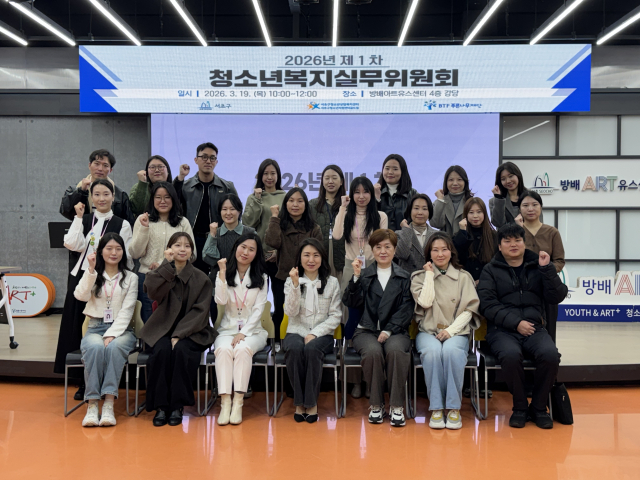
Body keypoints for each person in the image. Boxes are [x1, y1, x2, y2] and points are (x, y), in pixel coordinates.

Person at [477, 223, 568, 429]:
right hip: (502, 330)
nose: (513, 244)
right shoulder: (490, 270)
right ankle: (519, 407)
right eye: (507, 241)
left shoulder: (538, 265)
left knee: (550, 355)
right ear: (499, 246)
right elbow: (487, 305)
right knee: (510, 356)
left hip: (535, 328)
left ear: (524, 243)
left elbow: (557, 296)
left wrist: (547, 270)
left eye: (517, 240)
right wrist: (516, 323)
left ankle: (539, 407)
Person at [54, 179, 133, 402]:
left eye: (106, 194)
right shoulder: (85, 218)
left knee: (103, 329)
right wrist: (78, 218)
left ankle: (107, 382)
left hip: (108, 278)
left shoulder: (122, 224)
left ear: (113, 197)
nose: (101, 198)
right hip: (84, 276)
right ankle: (83, 381)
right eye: (96, 194)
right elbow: (72, 243)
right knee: (76, 328)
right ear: (91, 197)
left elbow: (126, 255)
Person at [141, 232, 216, 427]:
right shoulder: (162, 272)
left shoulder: (202, 278)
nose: (182, 249)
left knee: (182, 350)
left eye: (187, 246)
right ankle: (161, 406)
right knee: (161, 351)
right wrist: (165, 266)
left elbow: (200, 312)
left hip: (192, 331)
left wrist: (179, 334)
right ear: (169, 249)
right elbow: (151, 291)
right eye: (177, 245)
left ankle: (177, 405)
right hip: (162, 329)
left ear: (192, 251)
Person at [342, 229, 414, 427]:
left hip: (396, 331)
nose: (383, 251)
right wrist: (356, 278)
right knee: (373, 352)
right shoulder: (364, 275)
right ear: (372, 250)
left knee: (396, 351)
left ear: (395, 250)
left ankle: (397, 406)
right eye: (378, 247)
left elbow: (406, 309)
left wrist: (388, 330)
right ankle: (376, 405)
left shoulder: (404, 277)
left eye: (387, 247)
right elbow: (351, 302)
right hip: (366, 330)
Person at [411, 232, 480, 430]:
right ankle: (436, 408)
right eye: (435, 250)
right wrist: (429, 276)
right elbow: (425, 302)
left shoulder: (463, 277)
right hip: (428, 331)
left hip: (456, 332)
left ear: (451, 252)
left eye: (444, 249)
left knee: (451, 352)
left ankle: (453, 408)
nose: (440, 254)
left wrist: (450, 331)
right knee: (432, 353)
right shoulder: (419, 277)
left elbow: (469, 310)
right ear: (429, 253)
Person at [333, 176, 388, 397]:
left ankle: (370, 378)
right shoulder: (346, 214)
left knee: (372, 323)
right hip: (350, 268)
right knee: (352, 321)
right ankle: (354, 380)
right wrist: (342, 208)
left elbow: (383, 243)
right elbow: (337, 235)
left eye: (366, 192)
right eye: (357, 192)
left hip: (374, 268)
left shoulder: (380, 216)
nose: (361, 196)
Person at [75, 233, 137, 427]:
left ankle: (109, 403)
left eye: (118, 249)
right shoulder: (93, 274)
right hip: (95, 327)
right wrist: (90, 269)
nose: (114, 252)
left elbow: (127, 310)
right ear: (100, 251)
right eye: (109, 248)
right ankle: (92, 404)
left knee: (114, 347)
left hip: (121, 329)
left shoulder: (131, 277)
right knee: (95, 348)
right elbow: (80, 296)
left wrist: (112, 334)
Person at [283, 239, 341, 423]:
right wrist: (294, 286)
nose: (311, 260)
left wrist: (315, 333)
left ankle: (311, 402)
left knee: (312, 349)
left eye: (316, 255)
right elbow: (290, 312)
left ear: (322, 258)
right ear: (299, 258)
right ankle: (300, 403)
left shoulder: (332, 282)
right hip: (296, 329)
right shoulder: (290, 281)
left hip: (321, 334)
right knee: (294, 349)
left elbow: (335, 316)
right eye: (306, 255)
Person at [213, 232, 268, 426]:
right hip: (227, 330)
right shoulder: (223, 273)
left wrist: (243, 333)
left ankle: (238, 403)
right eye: (243, 247)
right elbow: (220, 301)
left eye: (251, 249)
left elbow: (259, 310)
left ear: (256, 254)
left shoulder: (261, 277)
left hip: (253, 331)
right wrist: (221, 274)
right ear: (236, 248)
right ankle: (225, 402)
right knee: (224, 349)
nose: (245, 252)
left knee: (243, 349)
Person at [129, 182, 193, 322]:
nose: (162, 201)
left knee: (174, 322)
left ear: (173, 199)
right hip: (148, 278)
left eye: (167, 197)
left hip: (176, 278)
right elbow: (135, 253)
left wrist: (164, 265)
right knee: (149, 322)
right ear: (152, 199)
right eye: (158, 197)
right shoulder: (142, 220)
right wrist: (144, 229)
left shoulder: (183, 223)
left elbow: (192, 255)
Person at [264, 187, 323, 341]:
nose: (295, 204)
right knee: (281, 311)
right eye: (291, 201)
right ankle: (279, 343)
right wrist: (274, 217)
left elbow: (319, 253)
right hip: (283, 277)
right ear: (285, 204)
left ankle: (307, 340)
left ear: (306, 205)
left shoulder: (314, 228)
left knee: (306, 312)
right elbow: (272, 242)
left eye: (299, 201)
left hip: (308, 278)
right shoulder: (280, 225)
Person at [173, 142, 238, 278]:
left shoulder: (227, 187)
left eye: (212, 158)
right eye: (204, 157)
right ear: (196, 160)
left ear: (216, 161)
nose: (208, 161)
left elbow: (237, 213)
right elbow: (174, 205)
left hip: (219, 239)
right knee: (193, 281)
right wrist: (180, 179)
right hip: (193, 239)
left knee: (220, 280)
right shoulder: (186, 186)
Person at [242, 159, 287, 340]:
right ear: (260, 176)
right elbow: (248, 223)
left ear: (278, 176)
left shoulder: (285, 196)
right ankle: (257, 335)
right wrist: (257, 200)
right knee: (255, 298)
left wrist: (279, 251)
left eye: (272, 173)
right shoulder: (253, 197)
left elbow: (287, 227)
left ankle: (278, 337)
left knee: (280, 298)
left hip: (278, 256)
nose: (269, 177)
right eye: (265, 173)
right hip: (258, 256)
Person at [516, 190, 565, 342]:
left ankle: (549, 352)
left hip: (547, 286)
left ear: (541, 207)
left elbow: (559, 260)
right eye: (525, 205)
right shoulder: (515, 232)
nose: (530, 209)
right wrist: (518, 230)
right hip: (522, 287)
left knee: (549, 326)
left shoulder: (552, 232)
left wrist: (546, 271)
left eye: (534, 205)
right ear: (519, 208)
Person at [60, 149, 134, 225]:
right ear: (89, 165)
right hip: (84, 229)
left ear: (110, 170)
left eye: (105, 165)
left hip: (111, 231)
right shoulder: (74, 189)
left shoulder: (120, 195)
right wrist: (81, 192)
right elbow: (65, 211)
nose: (100, 169)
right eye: (97, 164)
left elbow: (128, 221)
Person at [203, 194, 257, 299]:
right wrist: (212, 235)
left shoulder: (250, 233)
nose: (228, 213)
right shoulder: (215, 233)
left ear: (239, 211)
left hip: (244, 288)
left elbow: (256, 259)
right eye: (224, 209)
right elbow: (209, 259)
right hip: (218, 287)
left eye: (232, 209)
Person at [309, 165, 347, 286]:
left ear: (341, 182)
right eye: (327, 178)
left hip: (341, 255)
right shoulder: (312, 205)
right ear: (322, 181)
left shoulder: (347, 205)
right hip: (320, 254)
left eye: (334, 178)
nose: (330, 181)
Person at [452, 198, 498, 283]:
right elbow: (457, 259)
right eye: (471, 212)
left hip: (489, 282)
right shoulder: (459, 236)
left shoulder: (494, 236)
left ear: (484, 213)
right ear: (466, 214)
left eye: (479, 212)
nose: (475, 216)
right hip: (465, 283)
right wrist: (462, 232)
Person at [394, 193, 437, 274]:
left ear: (429, 212)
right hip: (408, 279)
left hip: (431, 277)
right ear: (410, 211)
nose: (420, 212)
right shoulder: (399, 234)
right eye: (416, 208)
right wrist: (406, 230)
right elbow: (402, 254)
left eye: (424, 209)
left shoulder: (437, 235)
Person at [374, 154, 417, 231]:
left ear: (402, 171)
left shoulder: (412, 194)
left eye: (395, 169)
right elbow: (370, 218)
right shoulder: (374, 191)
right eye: (387, 168)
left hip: (405, 237)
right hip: (381, 237)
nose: (390, 172)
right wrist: (376, 199)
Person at [431, 165, 473, 236]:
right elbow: (435, 224)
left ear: (465, 182)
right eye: (451, 180)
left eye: (459, 179)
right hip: (445, 242)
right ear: (446, 182)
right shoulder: (439, 202)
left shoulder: (472, 202)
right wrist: (440, 200)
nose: (455, 183)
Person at [489, 162, 525, 228]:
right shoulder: (494, 201)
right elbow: (498, 223)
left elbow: (538, 223)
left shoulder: (531, 197)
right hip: (506, 235)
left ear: (518, 175)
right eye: (503, 179)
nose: (508, 181)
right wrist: (498, 198)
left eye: (511, 176)